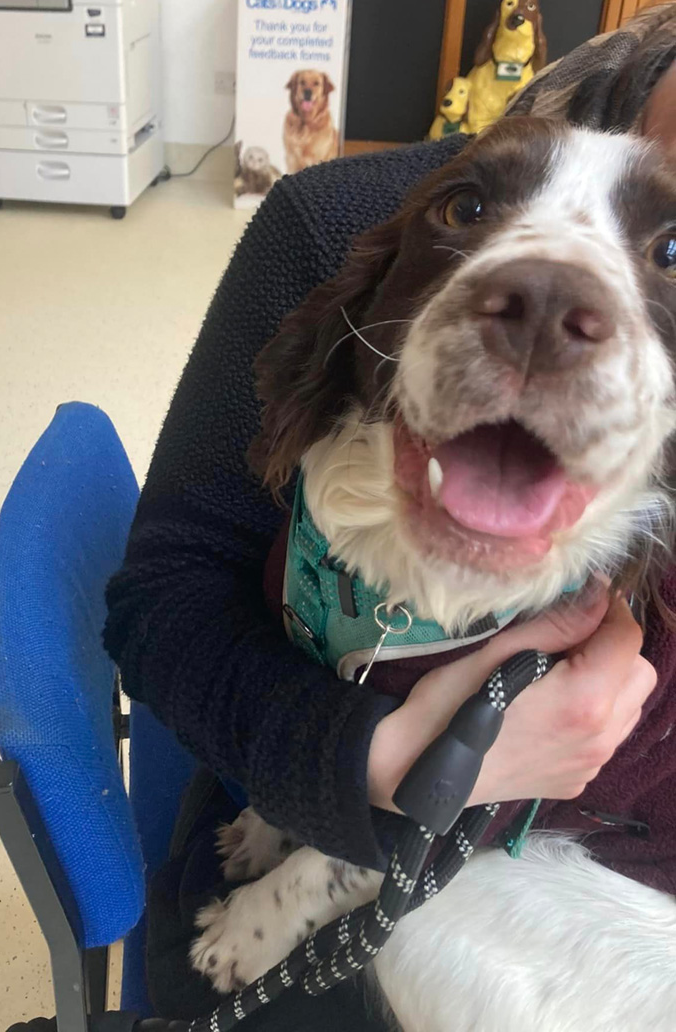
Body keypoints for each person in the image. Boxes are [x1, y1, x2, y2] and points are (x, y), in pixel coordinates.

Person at [104, 4, 676, 1026]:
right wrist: (358, 765)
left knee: (432, 932)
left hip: (616, 882)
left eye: (669, 253)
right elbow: (163, 590)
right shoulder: (338, 220)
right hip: (300, 767)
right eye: (466, 215)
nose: (552, 299)